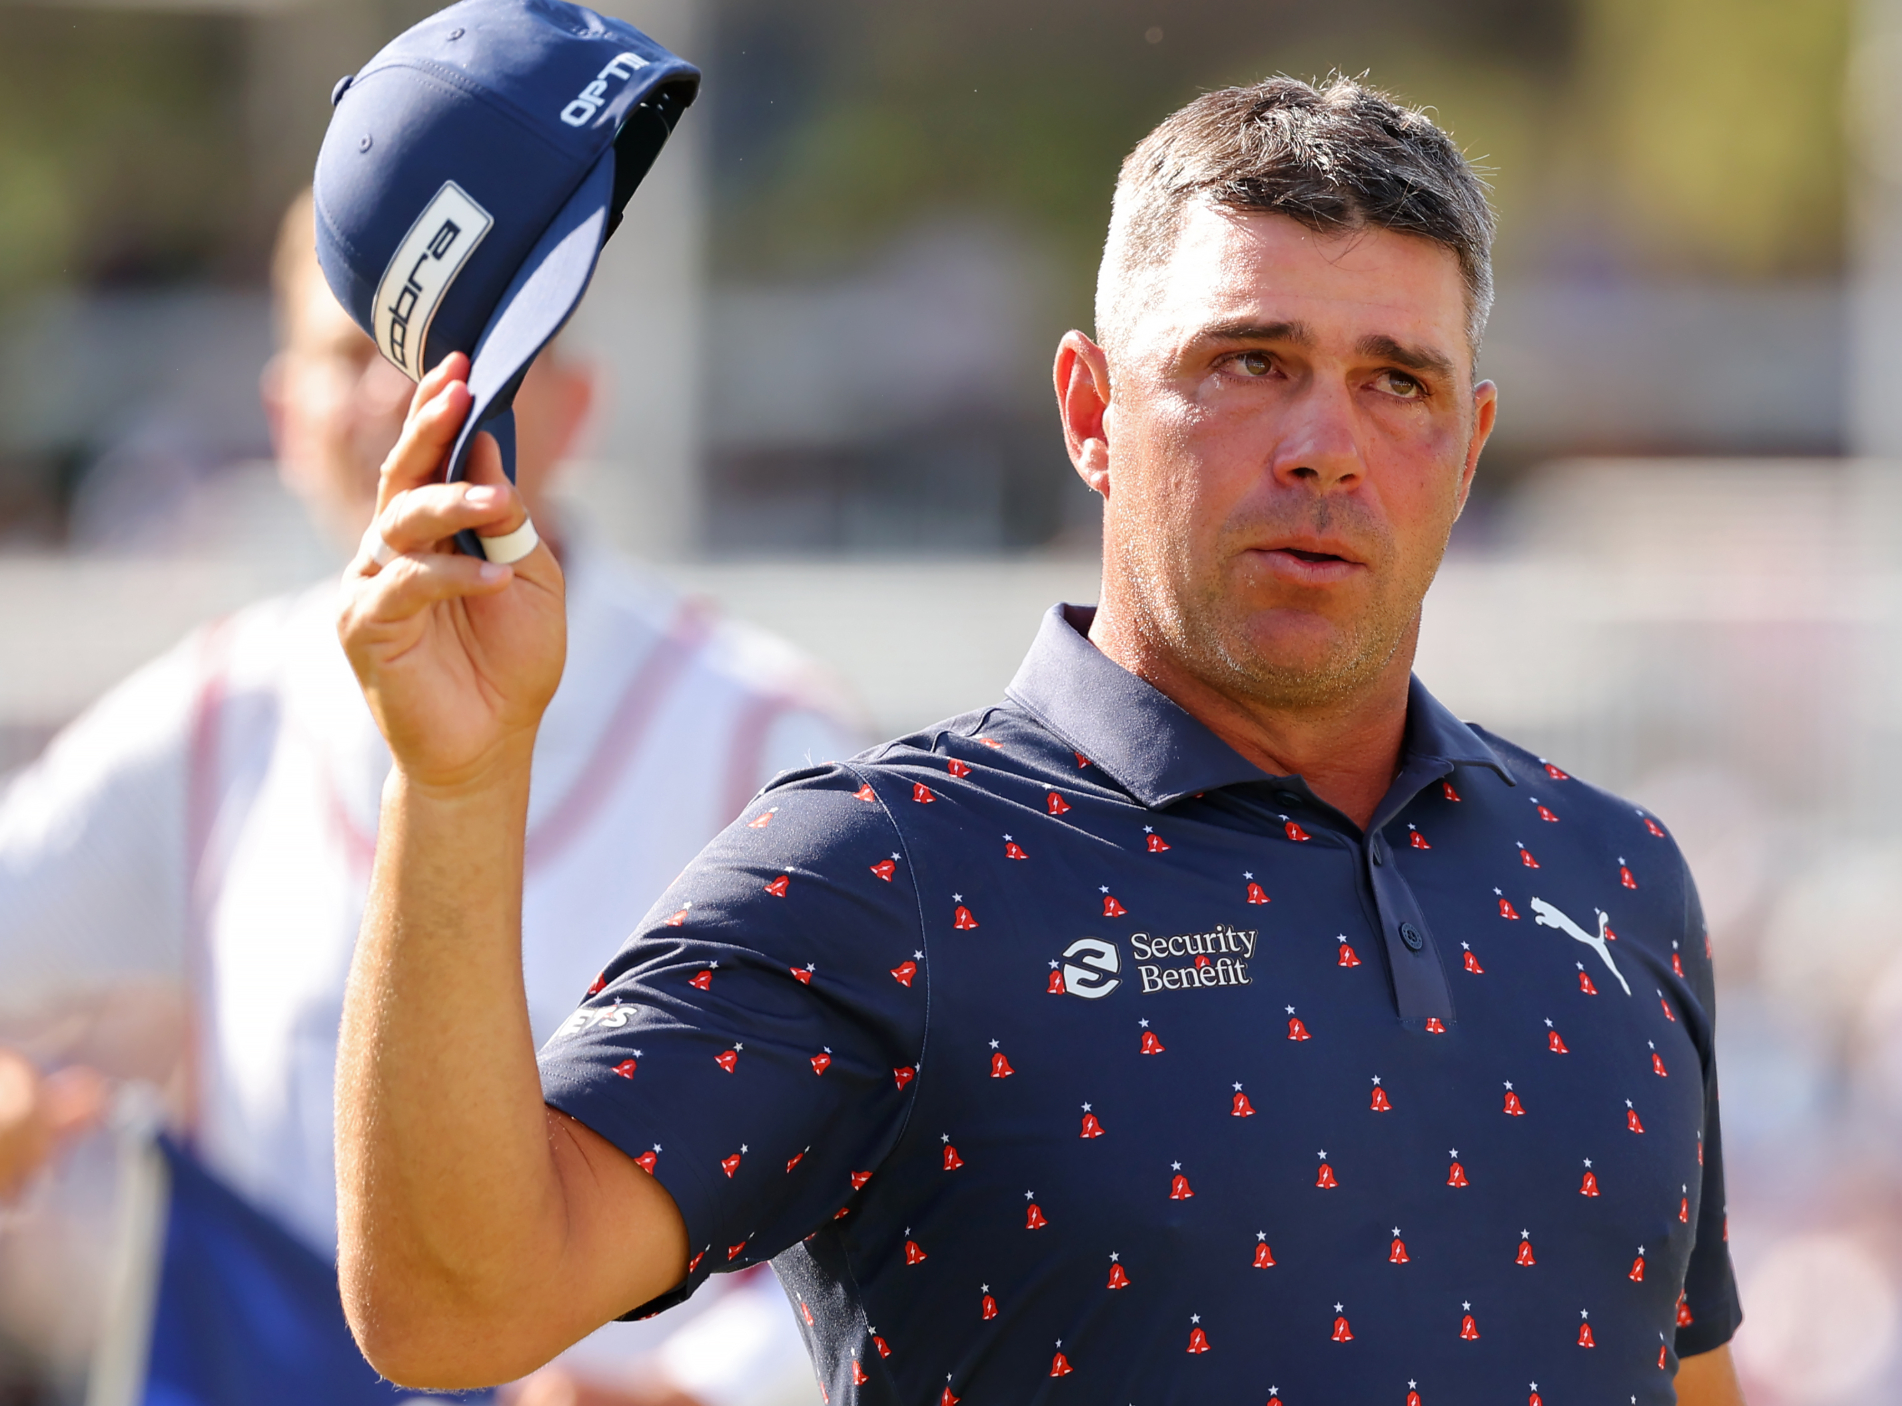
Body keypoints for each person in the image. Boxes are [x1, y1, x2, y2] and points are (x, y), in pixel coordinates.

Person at [335, 76, 1747, 1404]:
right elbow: (454, 1305)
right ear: (1090, 411)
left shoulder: (1616, 874)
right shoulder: (882, 870)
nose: (1325, 444)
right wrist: (455, 782)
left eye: (1398, 382)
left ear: (1470, 445)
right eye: (1250, 361)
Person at [0, 191, 850, 1406]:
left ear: (571, 402)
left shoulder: (759, 734)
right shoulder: (219, 713)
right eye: (351, 352)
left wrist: (698, 1387)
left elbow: (910, 1151)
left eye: (455, 356)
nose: (402, 401)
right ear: (283, 417)